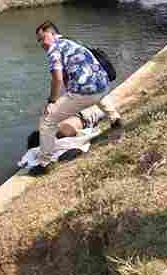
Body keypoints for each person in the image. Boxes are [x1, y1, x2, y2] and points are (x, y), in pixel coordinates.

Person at [32, 21, 123, 176]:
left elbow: (57, 79)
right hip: (103, 86)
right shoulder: (71, 42)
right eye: (39, 41)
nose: (41, 43)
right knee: (93, 89)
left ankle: (45, 163)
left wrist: (52, 101)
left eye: (43, 38)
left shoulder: (54, 48)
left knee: (47, 120)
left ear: (52, 34)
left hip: (86, 93)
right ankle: (115, 118)